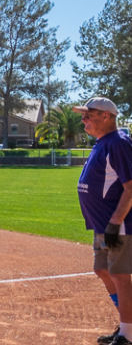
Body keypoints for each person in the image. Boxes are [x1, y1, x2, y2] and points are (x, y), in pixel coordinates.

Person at [73, 97, 132, 345]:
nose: (84, 120)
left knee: (119, 275)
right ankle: (125, 325)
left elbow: (130, 187)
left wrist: (115, 221)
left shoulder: (118, 143)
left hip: (116, 225)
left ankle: (127, 334)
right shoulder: (102, 143)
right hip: (102, 224)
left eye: (89, 115)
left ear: (106, 117)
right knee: (102, 270)